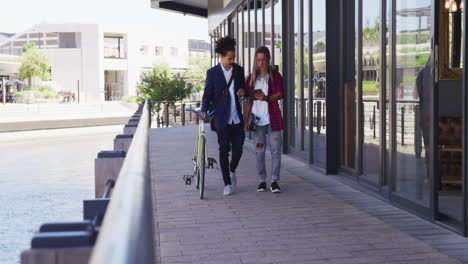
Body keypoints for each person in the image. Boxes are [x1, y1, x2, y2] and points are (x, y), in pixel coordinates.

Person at [200, 36, 246, 196]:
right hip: (221, 119)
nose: (232, 61)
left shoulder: (239, 71)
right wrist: (203, 110)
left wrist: (242, 92)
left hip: (237, 118)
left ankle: (232, 169)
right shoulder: (212, 73)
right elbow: (207, 95)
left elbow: (243, 90)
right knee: (224, 150)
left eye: (233, 58)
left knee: (239, 149)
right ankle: (227, 183)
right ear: (221, 56)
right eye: (229, 58)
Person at [243, 46, 284, 193]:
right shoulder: (251, 78)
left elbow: (280, 94)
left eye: (263, 60)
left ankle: (274, 181)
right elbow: (248, 100)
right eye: (258, 60)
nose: (260, 63)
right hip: (257, 121)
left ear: (268, 60)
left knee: (275, 151)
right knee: (259, 151)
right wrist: (245, 121)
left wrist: (266, 98)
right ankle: (261, 180)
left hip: (273, 120)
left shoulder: (275, 76)